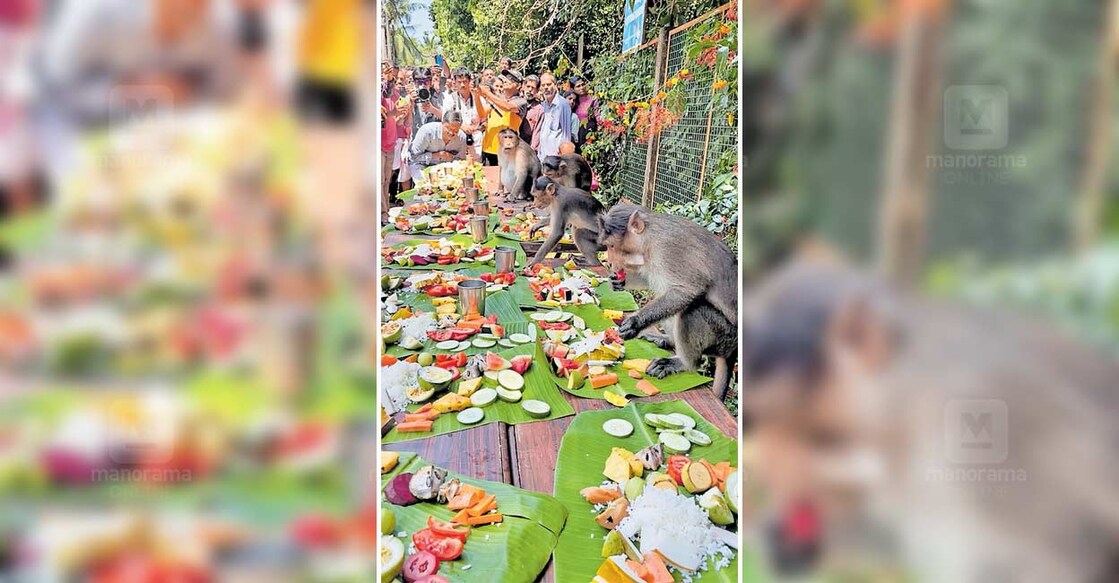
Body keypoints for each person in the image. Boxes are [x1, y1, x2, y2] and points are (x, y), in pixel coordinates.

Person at [475, 69, 529, 165]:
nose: (507, 80)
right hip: (489, 148)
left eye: (511, 79)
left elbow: (507, 107)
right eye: (506, 78)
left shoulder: (521, 101)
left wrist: (487, 93)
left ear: (519, 85)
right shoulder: (497, 99)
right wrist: (476, 95)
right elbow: (482, 114)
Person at [408, 110, 468, 178]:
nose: (451, 133)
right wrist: (437, 155)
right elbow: (413, 158)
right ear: (442, 123)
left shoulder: (462, 137)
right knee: (424, 184)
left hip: (447, 168)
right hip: (422, 165)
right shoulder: (427, 131)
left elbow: (461, 161)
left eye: (456, 131)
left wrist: (452, 158)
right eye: (448, 128)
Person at [442, 67, 483, 159]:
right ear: (455, 83)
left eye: (465, 81)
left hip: (475, 138)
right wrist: (462, 127)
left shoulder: (478, 97)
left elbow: (485, 118)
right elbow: (445, 120)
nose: (462, 85)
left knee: (476, 167)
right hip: (457, 137)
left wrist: (477, 127)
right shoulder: (450, 98)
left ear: (470, 81)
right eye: (459, 82)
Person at [532, 72, 571, 157]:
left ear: (555, 85)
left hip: (556, 157)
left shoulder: (562, 104)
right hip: (543, 156)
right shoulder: (544, 105)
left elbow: (566, 134)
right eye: (543, 85)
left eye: (549, 84)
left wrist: (564, 155)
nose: (546, 87)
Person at [570, 76, 597, 151]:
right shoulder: (573, 101)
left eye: (583, 84)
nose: (582, 87)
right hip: (576, 135)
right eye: (578, 86)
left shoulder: (592, 99)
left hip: (589, 133)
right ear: (573, 89)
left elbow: (598, 116)